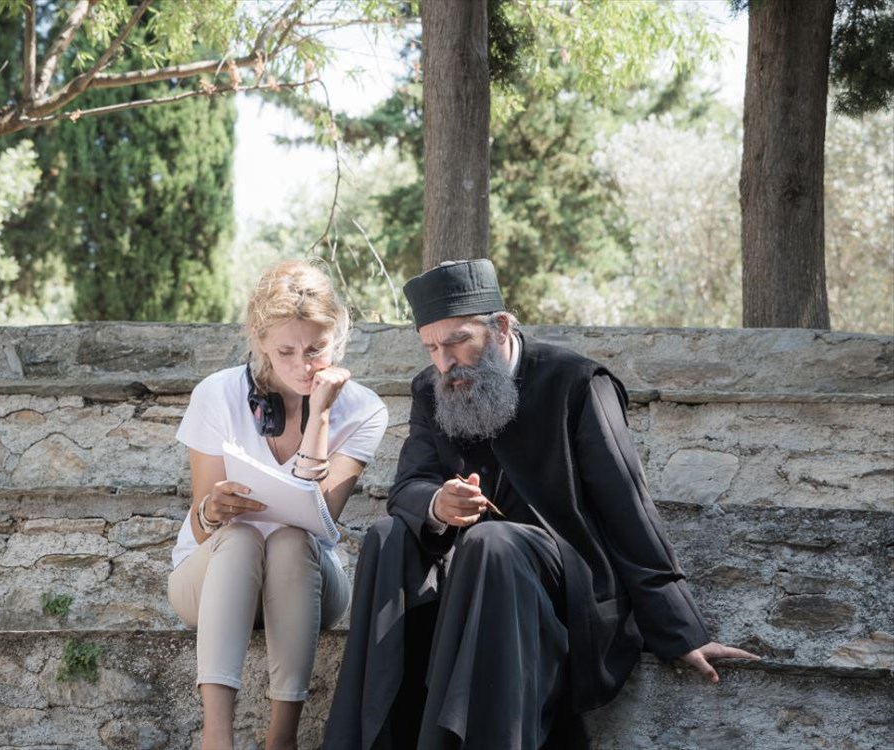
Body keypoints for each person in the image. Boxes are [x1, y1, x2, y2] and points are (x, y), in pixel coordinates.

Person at [323, 259, 757, 749]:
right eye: (431, 348)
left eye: (457, 342)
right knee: (387, 536)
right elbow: (409, 486)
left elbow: (628, 507)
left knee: (491, 542)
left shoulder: (576, 382)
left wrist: (681, 630)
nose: (444, 363)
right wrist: (439, 503)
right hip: (466, 579)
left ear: (500, 328)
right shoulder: (432, 388)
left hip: (562, 585)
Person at [169, 259, 389, 750]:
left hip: (307, 584)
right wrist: (212, 510)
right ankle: (216, 740)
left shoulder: (364, 409)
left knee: (290, 537)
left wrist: (321, 416)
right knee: (240, 538)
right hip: (211, 580)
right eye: (286, 351)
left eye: (315, 350)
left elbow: (320, 518)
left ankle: (282, 739)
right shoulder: (217, 394)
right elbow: (201, 531)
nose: (302, 366)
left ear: (337, 337)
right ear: (259, 340)